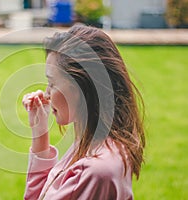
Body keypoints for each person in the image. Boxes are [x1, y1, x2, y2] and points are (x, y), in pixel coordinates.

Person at [22, 24, 145, 200]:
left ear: (82, 87)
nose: (46, 94)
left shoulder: (96, 171)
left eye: (52, 83)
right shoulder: (92, 142)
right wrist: (39, 131)